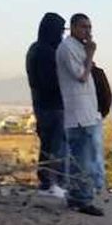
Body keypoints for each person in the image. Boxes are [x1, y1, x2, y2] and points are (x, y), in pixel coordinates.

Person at [55, 13, 104, 216]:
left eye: (90, 27)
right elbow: (81, 76)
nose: (88, 31)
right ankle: (80, 199)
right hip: (78, 113)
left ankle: (80, 196)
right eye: (84, 27)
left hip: (87, 112)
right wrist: (91, 54)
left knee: (86, 158)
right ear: (73, 27)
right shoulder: (67, 48)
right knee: (82, 159)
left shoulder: (77, 47)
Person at [25, 12, 68, 199]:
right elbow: (50, 82)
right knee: (57, 146)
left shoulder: (35, 49)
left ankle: (46, 181)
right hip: (53, 105)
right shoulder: (46, 52)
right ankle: (53, 182)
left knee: (48, 144)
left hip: (42, 105)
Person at [90, 63, 112, 193]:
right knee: (96, 151)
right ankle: (98, 183)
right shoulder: (98, 73)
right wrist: (102, 113)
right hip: (95, 115)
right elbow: (106, 95)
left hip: (75, 116)